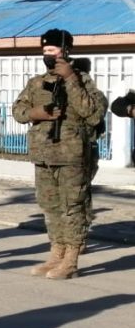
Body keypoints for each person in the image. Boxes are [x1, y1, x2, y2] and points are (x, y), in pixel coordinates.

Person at [12, 29, 107, 280]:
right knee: (50, 206)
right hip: (44, 155)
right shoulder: (36, 82)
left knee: (72, 207)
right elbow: (18, 110)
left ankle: (71, 259)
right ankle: (56, 252)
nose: (47, 55)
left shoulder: (83, 81)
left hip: (71, 156)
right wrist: (38, 113)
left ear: (65, 52)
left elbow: (93, 113)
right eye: (44, 51)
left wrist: (70, 79)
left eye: (52, 51)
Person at [71, 57, 107, 242]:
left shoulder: (93, 96)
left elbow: (96, 121)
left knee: (81, 192)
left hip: (86, 148)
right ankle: (77, 233)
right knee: (80, 192)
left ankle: (80, 234)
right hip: (78, 149)